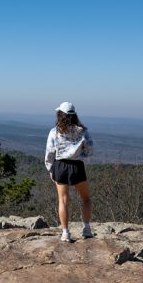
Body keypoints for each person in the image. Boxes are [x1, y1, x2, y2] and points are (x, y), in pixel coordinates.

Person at [44, 101, 94, 242]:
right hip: (77, 166)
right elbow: (90, 151)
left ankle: (65, 232)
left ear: (60, 114)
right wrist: (79, 155)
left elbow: (49, 154)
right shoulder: (83, 131)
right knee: (86, 198)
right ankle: (86, 228)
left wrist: (50, 170)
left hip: (60, 166)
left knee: (63, 201)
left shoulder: (54, 132)